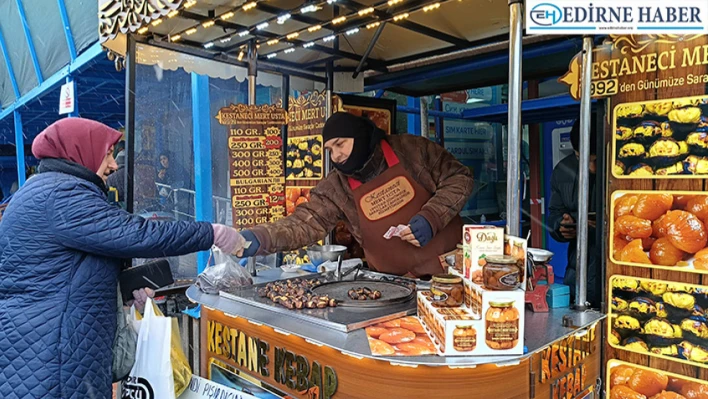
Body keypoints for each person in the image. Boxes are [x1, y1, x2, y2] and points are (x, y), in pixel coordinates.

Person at [0, 118, 247, 399]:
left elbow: (60, 277)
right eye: (106, 154)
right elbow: (138, 234)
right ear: (81, 152)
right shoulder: (61, 195)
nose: (113, 165)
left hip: (43, 352)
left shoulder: (42, 191)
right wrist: (211, 233)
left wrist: (118, 295)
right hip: (53, 362)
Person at [240, 112, 474, 278]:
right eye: (330, 150)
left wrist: (431, 217)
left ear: (360, 136)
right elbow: (305, 223)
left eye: (340, 144)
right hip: (396, 287)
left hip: (452, 273)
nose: (336, 156)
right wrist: (262, 238)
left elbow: (459, 178)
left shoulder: (413, 150)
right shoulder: (337, 187)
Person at [548, 118, 599, 307]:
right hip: (578, 273)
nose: (590, 168)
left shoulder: (624, 171)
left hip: (615, 273)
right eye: (581, 158)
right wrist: (561, 226)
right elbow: (554, 214)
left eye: (596, 160)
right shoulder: (563, 170)